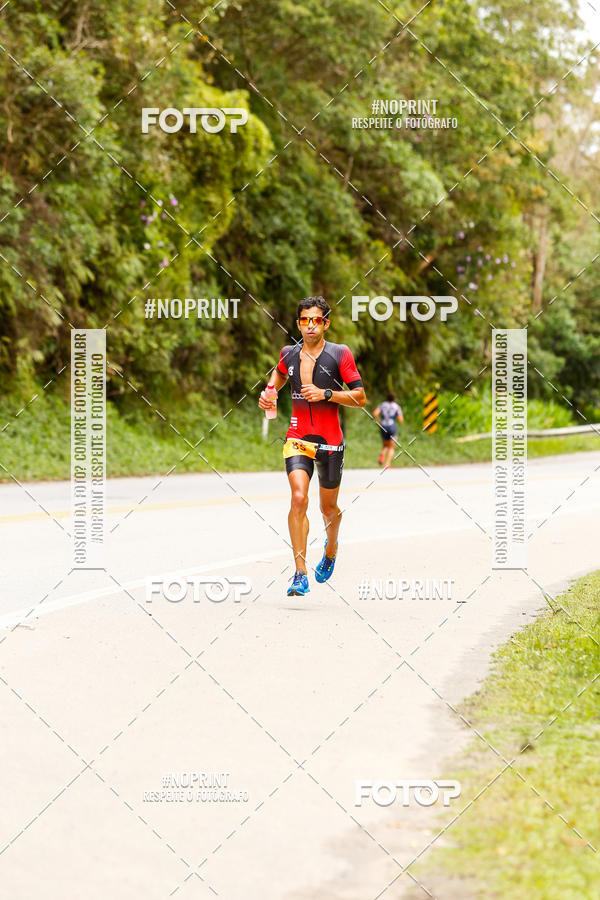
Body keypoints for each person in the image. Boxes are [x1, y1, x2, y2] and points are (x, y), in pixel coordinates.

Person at [258, 296, 366, 596]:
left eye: (316, 320)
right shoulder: (289, 354)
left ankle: (331, 549)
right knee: (298, 498)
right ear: (298, 324)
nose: (309, 326)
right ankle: (300, 573)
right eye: (304, 320)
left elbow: (360, 397)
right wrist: (268, 393)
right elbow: (279, 375)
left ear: (326, 323)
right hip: (297, 438)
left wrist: (327, 394)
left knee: (327, 508)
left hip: (330, 443)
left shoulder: (339, 354)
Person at [373, 393, 403, 468]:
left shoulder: (382, 405)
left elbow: (375, 413)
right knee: (391, 447)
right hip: (391, 426)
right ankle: (387, 464)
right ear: (394, 399)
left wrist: (379, 421)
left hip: (383, 425)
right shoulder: (396, 406)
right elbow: (400, 420)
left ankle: (382, 453)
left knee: (385, 445)